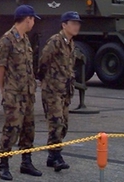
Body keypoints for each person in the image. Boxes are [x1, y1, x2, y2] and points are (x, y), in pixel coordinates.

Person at [0, 4, 44, 180]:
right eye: (32, 20)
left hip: (28, 93)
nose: (33, 23)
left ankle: (26, 162)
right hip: (13, 95)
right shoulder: (7, 40)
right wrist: (4, 91)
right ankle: (4, 164)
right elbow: (0, 67)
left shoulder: (24, 39)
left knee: (28, 129)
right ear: (27, 19)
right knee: (11, 129)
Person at [37, 10, 81, 172]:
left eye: (78, 24)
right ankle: (56, 156)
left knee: (64, 125)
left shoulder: (71, 43)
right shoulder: (55, 41)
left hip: (65, 91)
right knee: (56, 123)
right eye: (73, 23)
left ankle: (52, 156)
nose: (76, 26)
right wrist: (44, 80)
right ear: (64, 25)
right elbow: (43, 61)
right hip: (52, 90)